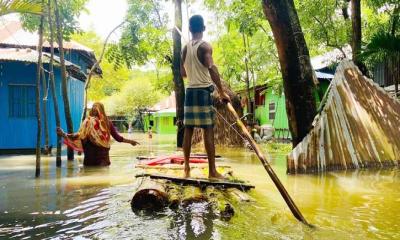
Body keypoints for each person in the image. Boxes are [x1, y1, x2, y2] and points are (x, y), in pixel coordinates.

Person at [180, 15, 230, 179]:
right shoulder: (205, 47)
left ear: (189, 29)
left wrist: (194, 71)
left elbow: (182, 73)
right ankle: (212, 172)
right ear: (203, 28)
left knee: (188, 130)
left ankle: (186, 166)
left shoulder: (185, 49)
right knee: (208, 130)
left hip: (190, 92)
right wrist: (222, 92)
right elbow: (212, 68)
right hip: (202, 91)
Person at [57, 102, 139, 166]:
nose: (95, 111)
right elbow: (118, 138)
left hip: (95, 161)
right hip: (97, 161)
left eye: (95, 109)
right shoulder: (96, 123)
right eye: (95, 109)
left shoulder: (97, 123)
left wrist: (64, 134)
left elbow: (78, 135)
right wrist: (130, 141)